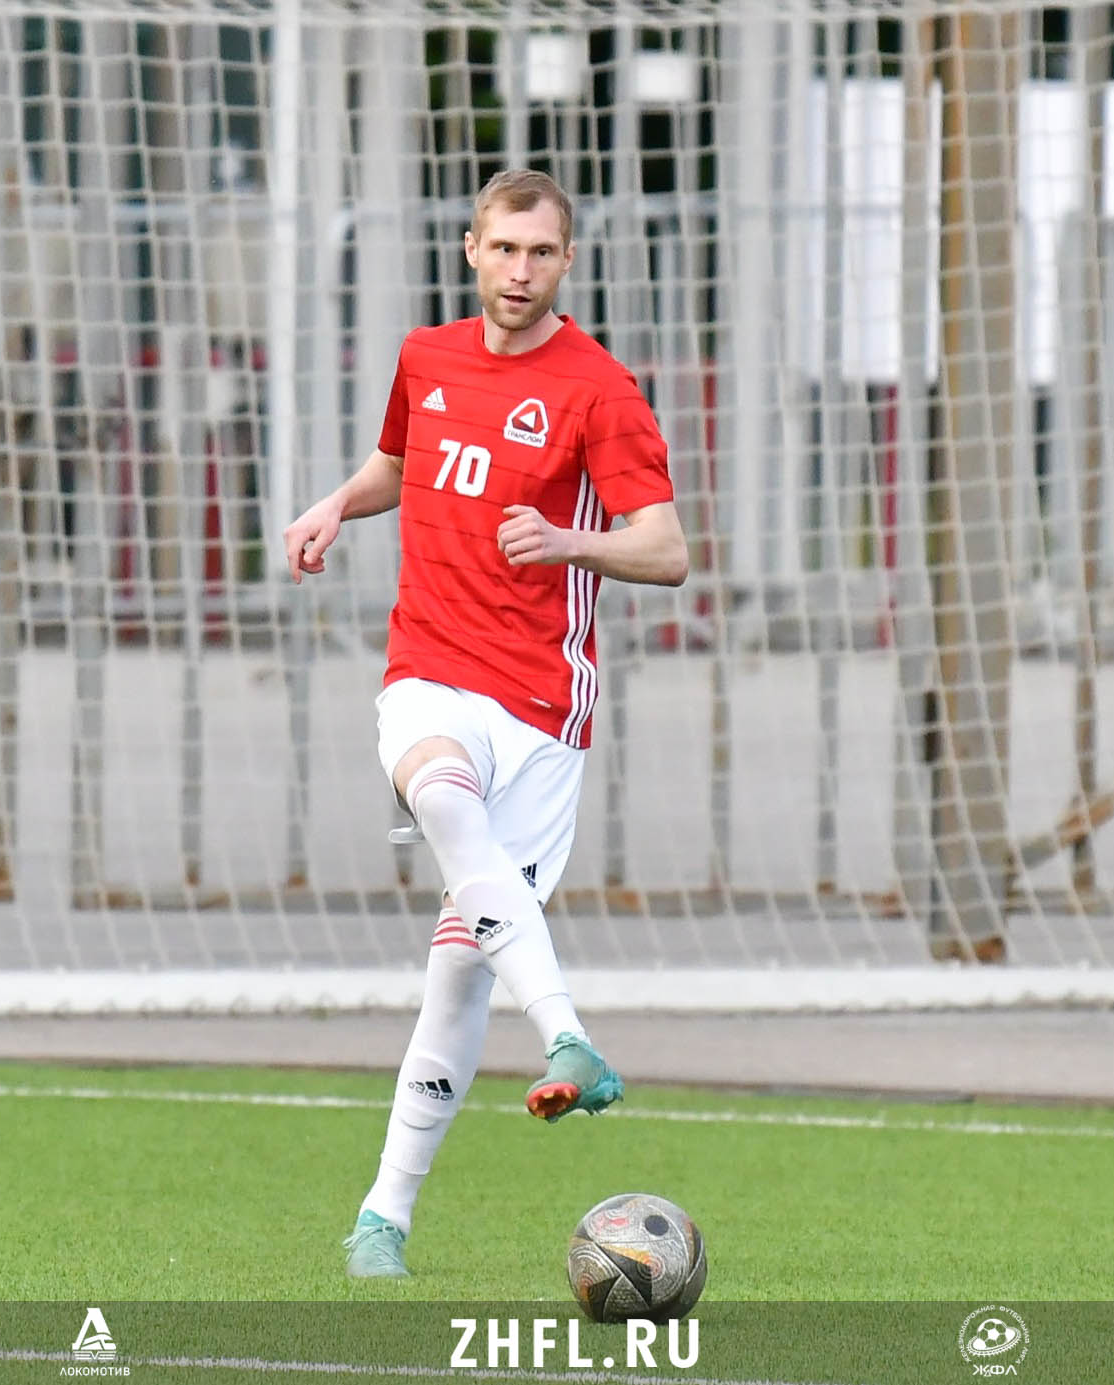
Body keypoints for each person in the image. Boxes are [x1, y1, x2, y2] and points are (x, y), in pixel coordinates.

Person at [281, 169, 688, 1279]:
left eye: (540, 252)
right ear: (470, 248)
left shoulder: (599, 390)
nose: (519, 271)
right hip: (431, 671)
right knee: (438, 789)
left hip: (544, 708)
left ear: (566, 261)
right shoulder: (427, 357)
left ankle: (384, 1216)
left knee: (460, 973)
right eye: (503, 248)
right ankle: (567, 1034)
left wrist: (567, 542)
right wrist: (335, 504)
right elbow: (400, 465)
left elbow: (665, 549)